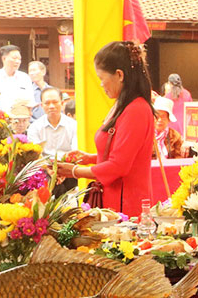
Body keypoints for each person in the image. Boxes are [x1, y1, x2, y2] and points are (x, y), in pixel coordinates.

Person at [55, 41, 155, 217]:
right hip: (113, 199)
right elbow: (119, 154)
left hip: (125, 204)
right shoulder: (122, 105)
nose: (101, 85)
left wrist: (74, 171)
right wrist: (89, 158)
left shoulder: (136, 109)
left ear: (119, 75)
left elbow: (119, 165)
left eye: (101, 78)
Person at [27, 86, 77, 157]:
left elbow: (76, 152)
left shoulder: (74, 125)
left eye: (55, 102)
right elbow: (35, 155)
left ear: (62, 103)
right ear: (41, 105)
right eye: (47, 103)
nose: (51, 106)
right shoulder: (35, 127)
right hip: (43, 166)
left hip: (68, 164)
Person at [0, 45, 36, 115]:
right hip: (0, 119)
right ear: (4, 59)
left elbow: (30, 100)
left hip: (20, 119)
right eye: (14, 58)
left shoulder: (25, 78)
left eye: (19, 59)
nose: (17, 61)